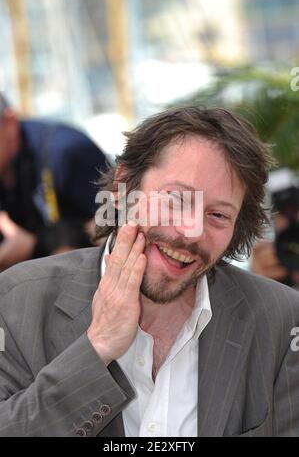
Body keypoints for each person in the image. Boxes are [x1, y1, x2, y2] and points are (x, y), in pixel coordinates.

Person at [0, 106, 299, 437]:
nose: (191, 231)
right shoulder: (15, 302)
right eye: (175, 199)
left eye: (218, 215)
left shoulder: (282, 319)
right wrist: (96, 348)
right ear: (124, 186)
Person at [0, 93, 108, 269]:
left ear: (10, 123)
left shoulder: (66, 151)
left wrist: (34, 247)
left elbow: (119, 232)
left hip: (86, 280)